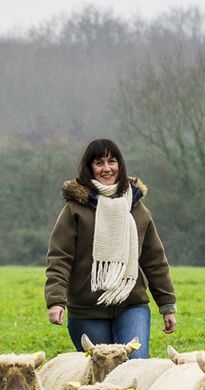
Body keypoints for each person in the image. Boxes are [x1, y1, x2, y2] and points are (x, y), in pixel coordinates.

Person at [44, 139, 175, 359]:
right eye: (99, 163)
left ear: (120, 165)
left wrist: (167, 305)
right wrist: (56, 301)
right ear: (89, 168)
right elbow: (60, 258)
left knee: (135, 366)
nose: (107, 168)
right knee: (102, 376)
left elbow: (154, 260)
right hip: (87, 309)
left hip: (131, 304)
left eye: (112, 161)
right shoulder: (74, 210)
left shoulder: (137, 208)